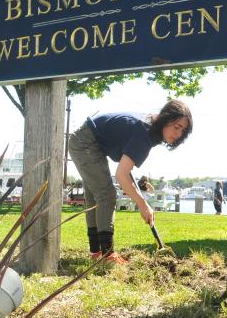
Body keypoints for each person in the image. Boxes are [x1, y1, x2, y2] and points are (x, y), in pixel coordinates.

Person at [67, 100, 192, 264]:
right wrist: (142, 204)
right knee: (106, 195)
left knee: (96, 197)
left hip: (90, 142)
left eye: (183, 131)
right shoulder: (144, 133)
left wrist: (142, 201)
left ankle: (97, 252)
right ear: (165, 118)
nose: (178, 134)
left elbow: (126, 170)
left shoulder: (150, 130)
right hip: (85, 142)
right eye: (177, 127)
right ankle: (107, 255)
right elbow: (121, 174)